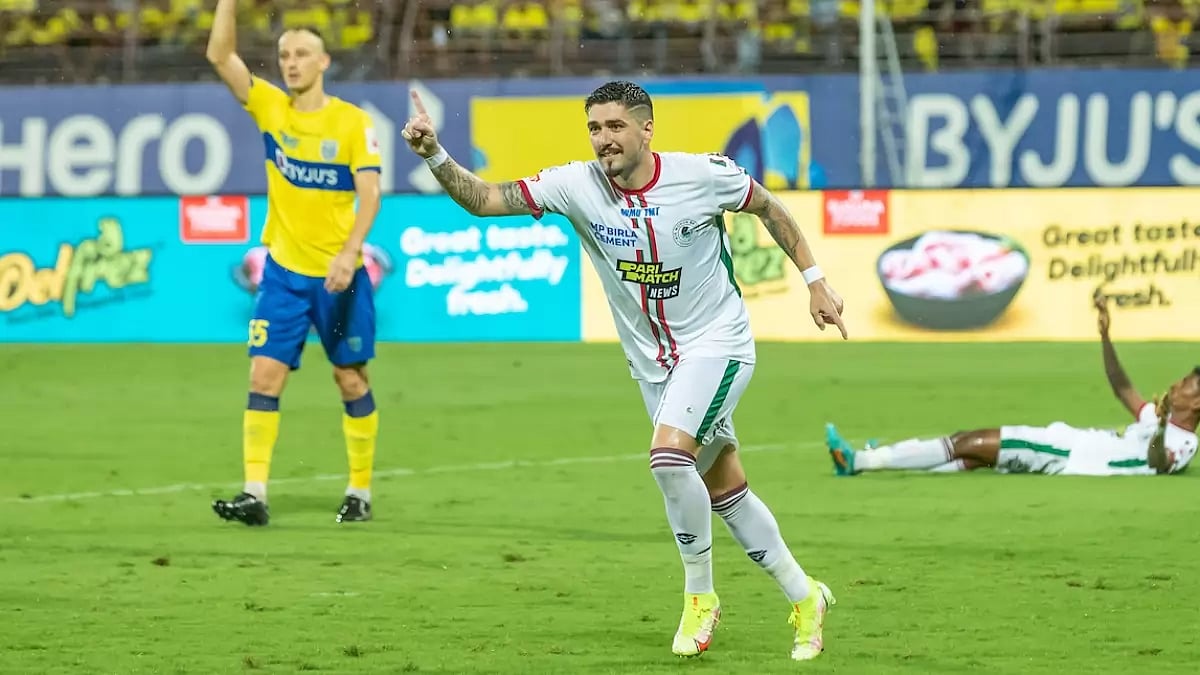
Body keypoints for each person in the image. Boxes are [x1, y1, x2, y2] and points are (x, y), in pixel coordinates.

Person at [402, 80, 847, 662]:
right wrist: (435, 154)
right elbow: (486, 199)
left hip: (718, 343)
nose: (603, 140)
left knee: (667, 458)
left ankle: (700, 596)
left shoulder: (702, 175)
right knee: (724, 487)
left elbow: (767, 204)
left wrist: (815, 282)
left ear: (646, 129)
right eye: (594, 128)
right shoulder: (573, 185)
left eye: (615, 127)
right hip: (652, 365)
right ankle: (804, 594)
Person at [205, 0, 384, 526]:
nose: (291, 62)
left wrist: (350, 254)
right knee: (264, 378)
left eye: (302, 53)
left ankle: (360, 491)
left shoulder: (352, 123)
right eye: (284, 54)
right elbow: (220, 54)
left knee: (350, 380)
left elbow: (370, 193)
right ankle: (254, 495)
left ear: (324, 61)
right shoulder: (270, 107)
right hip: (283, 273)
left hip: (339, 278)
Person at [826, 293, 1198, 477]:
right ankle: (883, 458)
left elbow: (1158, 463)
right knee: (969, 452)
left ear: (1197, 405)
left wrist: (1163, 422)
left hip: (1070, 454)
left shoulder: (1184, 442)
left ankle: (859, 461)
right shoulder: (1158, 419)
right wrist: (1105, 334)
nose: (1178, 385)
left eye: (1188, 385)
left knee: (968, 443)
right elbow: (1121, 387)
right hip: (1069, 443)